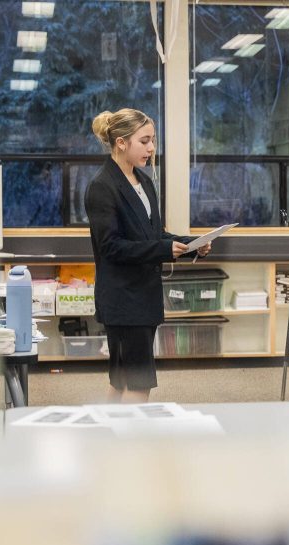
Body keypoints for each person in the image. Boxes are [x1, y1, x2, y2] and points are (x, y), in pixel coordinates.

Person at [85, 108, 210, 403]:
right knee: (138, 384)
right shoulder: (102, 186)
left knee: (122, 382)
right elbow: (111, 247)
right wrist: (164, 250)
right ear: (121, 143)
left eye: (153, 140)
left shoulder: (144, 182)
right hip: (123, 301)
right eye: (144, 141)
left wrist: (191, 244)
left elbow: (154, 234)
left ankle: (107, 444)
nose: (152, 148)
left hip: (142, 297)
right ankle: (129, 447)